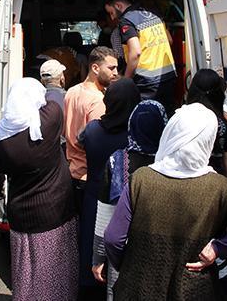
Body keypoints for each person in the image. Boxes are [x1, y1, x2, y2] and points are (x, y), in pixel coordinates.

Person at [104, 103, 227, 300]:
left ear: (172, 134)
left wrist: (127, 265)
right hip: (192, 289)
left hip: (138, 288)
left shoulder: (141, 178)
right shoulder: (221, 188)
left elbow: (113, 237)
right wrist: (219, 248)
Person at [0, 78, 78, 301]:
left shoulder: (1, 142)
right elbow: (52, 99)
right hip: (54, 212)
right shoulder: (48, 122)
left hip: (20, 214)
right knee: (54, 275)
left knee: (25, 273)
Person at [92, 100, 167, 301]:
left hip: (122, 253)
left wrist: (99, 257)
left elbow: (105, 215)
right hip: (163, 253)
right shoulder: (172, 161)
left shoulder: (117, 161)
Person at [80, 78, 141, 299]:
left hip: (94, 197)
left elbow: (80, 140)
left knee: (92, 246)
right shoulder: (136, 134)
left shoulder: (93, 130)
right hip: (128, 202)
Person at [64, 47, 118, 204]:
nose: (115, 72)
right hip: (89, 176)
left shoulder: (71, 92)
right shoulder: (98, 101)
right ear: (95, 68)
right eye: (111, 68)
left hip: (71, 171)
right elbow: (96, 144)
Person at [104, 0, 177, 112]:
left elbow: (135, 53)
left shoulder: (126, 20)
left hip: (147, 81)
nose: (112, 17)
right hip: (168, 75)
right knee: (166, 115)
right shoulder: (154, 14)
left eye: (111, 12)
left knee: (146, 120)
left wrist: (126, 80)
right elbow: (169, 40)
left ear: (118, 6)